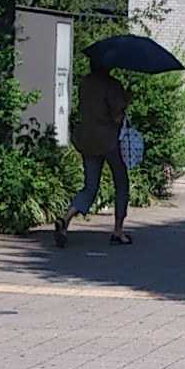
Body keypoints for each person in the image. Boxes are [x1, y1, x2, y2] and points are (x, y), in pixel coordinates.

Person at [56, 56, 131, 247]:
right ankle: (118, 231)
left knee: (90, 186)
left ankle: (66, 219)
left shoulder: (85, 83)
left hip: (88, 140)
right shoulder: (112, 85)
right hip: (109, 142)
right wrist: (125, 100)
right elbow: (117, 117)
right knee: (121, 183)